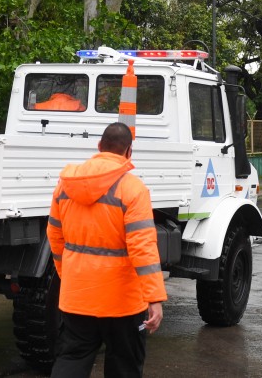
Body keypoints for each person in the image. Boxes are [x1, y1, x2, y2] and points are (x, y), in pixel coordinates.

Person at [46, 122, 166, 377]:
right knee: (124, 364)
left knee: (72, 359)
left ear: (99, 147)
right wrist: (154, 298)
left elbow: (55, 235)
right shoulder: (133, 190)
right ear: (128, 152)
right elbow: (142, 248)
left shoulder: (66, 184)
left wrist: (68, 275)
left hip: (77, 295)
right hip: (122, 302)